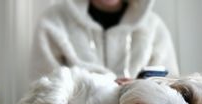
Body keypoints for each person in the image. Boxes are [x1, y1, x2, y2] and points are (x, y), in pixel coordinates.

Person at [30, 0, 179, 82]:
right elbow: (41, 87)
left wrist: (136, 90)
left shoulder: (153, 26)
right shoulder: (53, 21)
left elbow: (171, 88)